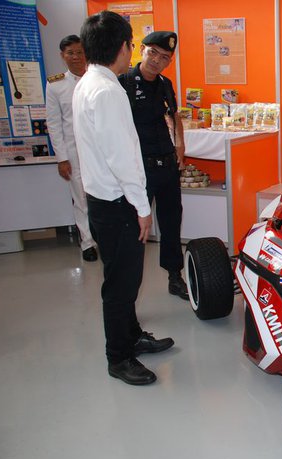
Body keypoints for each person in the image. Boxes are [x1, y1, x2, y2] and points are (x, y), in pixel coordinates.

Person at [73, 10, 174, 386]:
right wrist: (142, 208)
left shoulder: (89, 82)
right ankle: (119, 357)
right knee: (121, 285)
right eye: (132, 44)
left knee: (123, 277)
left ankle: (131, 336)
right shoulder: (108, 91)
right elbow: (122, 159)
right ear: (122, 47)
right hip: (118, 203)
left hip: (103, 200)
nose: (131, 50)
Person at [118, 30, 189, 300]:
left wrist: (180, 144)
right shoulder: (123, 83)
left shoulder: (165, 84)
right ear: (141, 51)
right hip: (140, 169)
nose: (157, 61)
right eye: (153, 53)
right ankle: (129, 286)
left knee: (171, 222)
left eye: (164, 57)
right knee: (137, 228)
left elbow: (174, 114)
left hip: (167, 165)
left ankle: (174, 276)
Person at [45, 35, 98, 262]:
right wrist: (61, 158)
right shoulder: (55, 85)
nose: (76, 57)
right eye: (70, 53)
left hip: (100, 150)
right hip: (74, 152)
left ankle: (104, 238)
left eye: (79, 52)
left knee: (103, 195)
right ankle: (87, 242)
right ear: (62, 56)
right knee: (81, 198)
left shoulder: (98, 80)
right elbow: (54, 124)